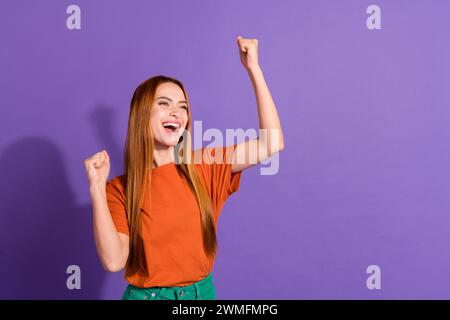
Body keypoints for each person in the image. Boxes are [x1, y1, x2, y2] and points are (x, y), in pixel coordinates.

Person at [84, 36, 285, 300]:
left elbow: (272, 143)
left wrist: (254, 70)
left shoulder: (205, 167)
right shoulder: (120, 189)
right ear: (143, 114)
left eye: (183, 107)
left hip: (201, 296)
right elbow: (113, 261)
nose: (177, 113)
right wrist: (97, 188)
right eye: (164, 104)